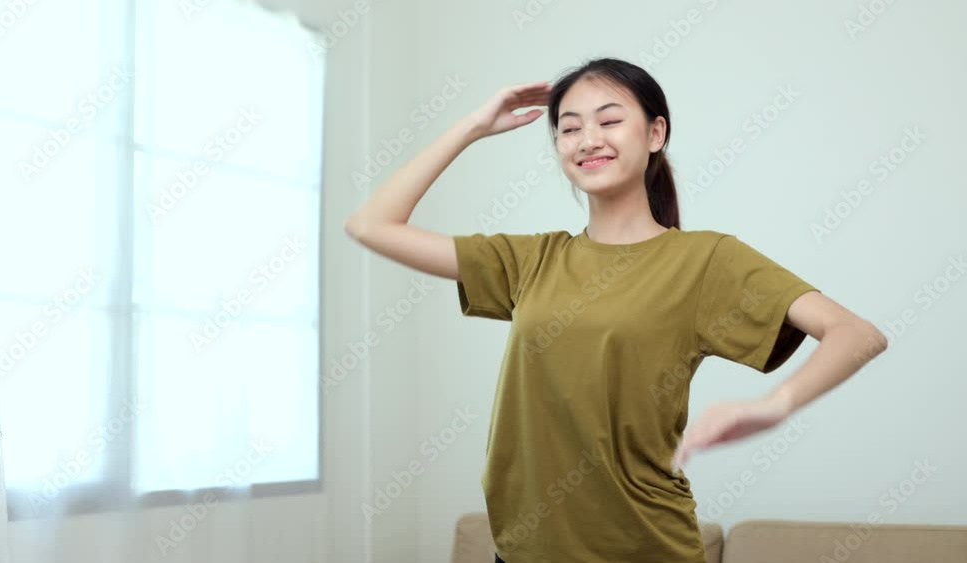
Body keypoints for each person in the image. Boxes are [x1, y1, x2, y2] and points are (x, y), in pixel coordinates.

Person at [344, 57, 888, 563]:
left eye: (609, 121)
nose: (588, 140)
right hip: (521, 551)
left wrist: (774, 405)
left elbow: (856, 333)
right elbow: (370, 225)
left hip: (644, 549)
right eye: (569, 128)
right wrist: (472, 127)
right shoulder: (531, 260)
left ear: (655, 134)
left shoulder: (705, 260)